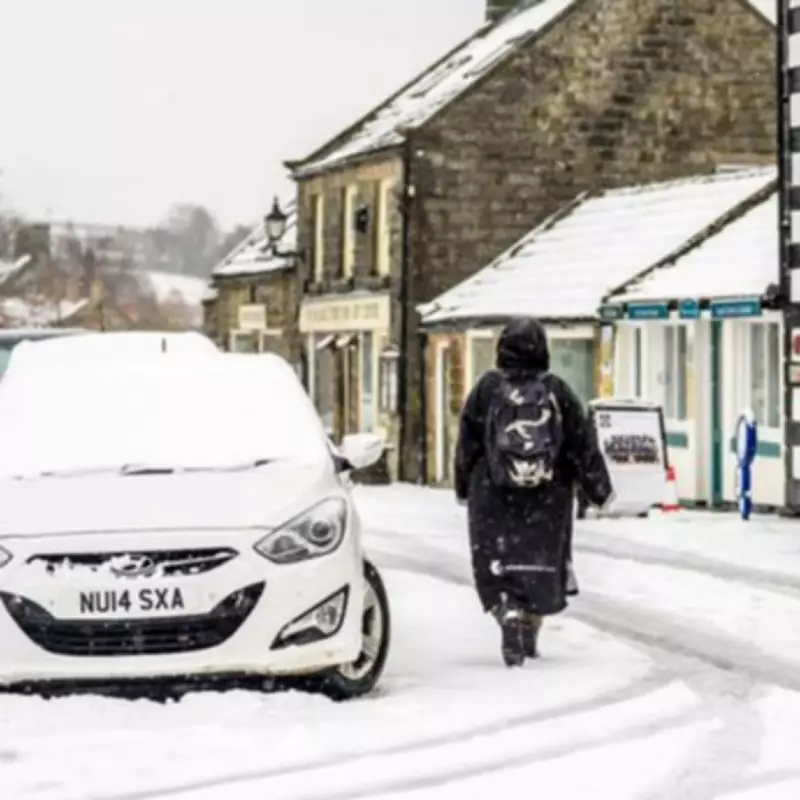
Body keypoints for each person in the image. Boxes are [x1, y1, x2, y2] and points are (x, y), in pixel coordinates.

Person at [454, 317, 613, 667]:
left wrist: (464, 485)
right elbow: (582, 443)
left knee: (497, 562)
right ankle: (529, 628)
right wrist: (599, 490)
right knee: (538, 564)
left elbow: (468, 442)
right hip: (548, 495)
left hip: (493, 494)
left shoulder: (487, 389)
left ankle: (507, 611)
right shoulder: (556, 390)